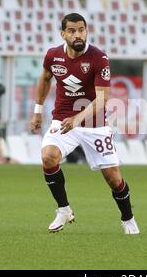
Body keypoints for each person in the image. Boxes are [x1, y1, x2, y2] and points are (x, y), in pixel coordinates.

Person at [30, 13, 139, 234]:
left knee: (113, 178)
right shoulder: (53, 56)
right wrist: (38, 110)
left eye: (81, 29)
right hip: (62, 119)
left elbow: (103, 99)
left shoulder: (99, 58)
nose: (78, 34)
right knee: (48, 156)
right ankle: (63, 209)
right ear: (63, 34)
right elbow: (44, 78)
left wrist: (78, 119)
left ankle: (128, 219)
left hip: (94, 125)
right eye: (72, 31)